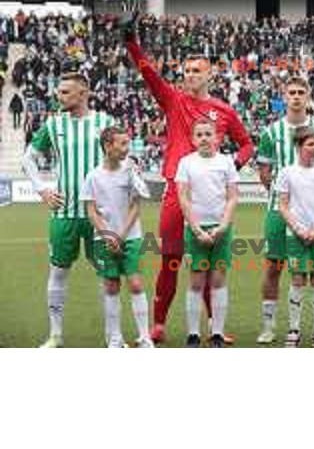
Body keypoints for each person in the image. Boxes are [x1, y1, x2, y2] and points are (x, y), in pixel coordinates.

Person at [125, 24, 254, 343]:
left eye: (197, 70)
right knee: (170, 259)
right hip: (176, 192)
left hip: (211, 197)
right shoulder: (173, 100)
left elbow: (247, 145)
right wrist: (132, 44)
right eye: (186, 71)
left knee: (211, 264)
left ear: (210, 74)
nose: (190, 75)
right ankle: (158, 324)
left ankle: (215, 327)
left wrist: (229, 168)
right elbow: (150, 76)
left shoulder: (224, 111)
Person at [22, 72, 115, 348]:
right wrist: (42, 189)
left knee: (106, 276)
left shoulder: (105, 123)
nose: (58, 96)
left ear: (83, 93)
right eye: (59, 91)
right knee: (58, 272)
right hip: (64, 214)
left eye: (65, 92)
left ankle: (113, 337)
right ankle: (56, 335)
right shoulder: (54, 124)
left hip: (99, 214)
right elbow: (28, 158)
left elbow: (121, 159)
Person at [256, 76, 314, 344]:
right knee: (274, 267)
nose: (297, 97)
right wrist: (283, 200)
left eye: (301, 92)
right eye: (292, 92)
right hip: (279, 211)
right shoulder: (271, 132)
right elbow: (264, 172)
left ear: (308, 95)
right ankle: (269, 326)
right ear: (284, 95)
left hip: (312, 213)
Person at [81, 126, 153, 348]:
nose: (126, 148)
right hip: (103, 240)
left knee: (136, 284)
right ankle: (115, 338)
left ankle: (144, 337)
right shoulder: (93, 176)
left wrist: (120, 235)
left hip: (130, 237)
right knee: (111, 286)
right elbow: (91, 211)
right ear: (107, 146)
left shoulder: (130, 172)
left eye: (127, 143)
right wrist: (107, 234)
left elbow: (135, 207)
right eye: (122, 144)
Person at [176, 118, 239, 348]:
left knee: (218, 280)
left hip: (221, 229)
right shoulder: (186, 163)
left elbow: (232, 196)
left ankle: (217, 333)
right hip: (195, 230)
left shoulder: (226, 163)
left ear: (216, 138)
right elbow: (183, 197)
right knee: (196, 282)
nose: (204, 138)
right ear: (193, 139)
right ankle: (193, 333)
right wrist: (196, 228)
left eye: (208, 134)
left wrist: (223, 225)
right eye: (199, 134)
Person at [276, 126, 314, 348]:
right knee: (298, 278)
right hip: (296, 235)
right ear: (299, 146)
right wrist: (298, 229)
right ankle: (294, 329)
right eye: (310, 144)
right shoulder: (287, 172)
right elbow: (282, 205)